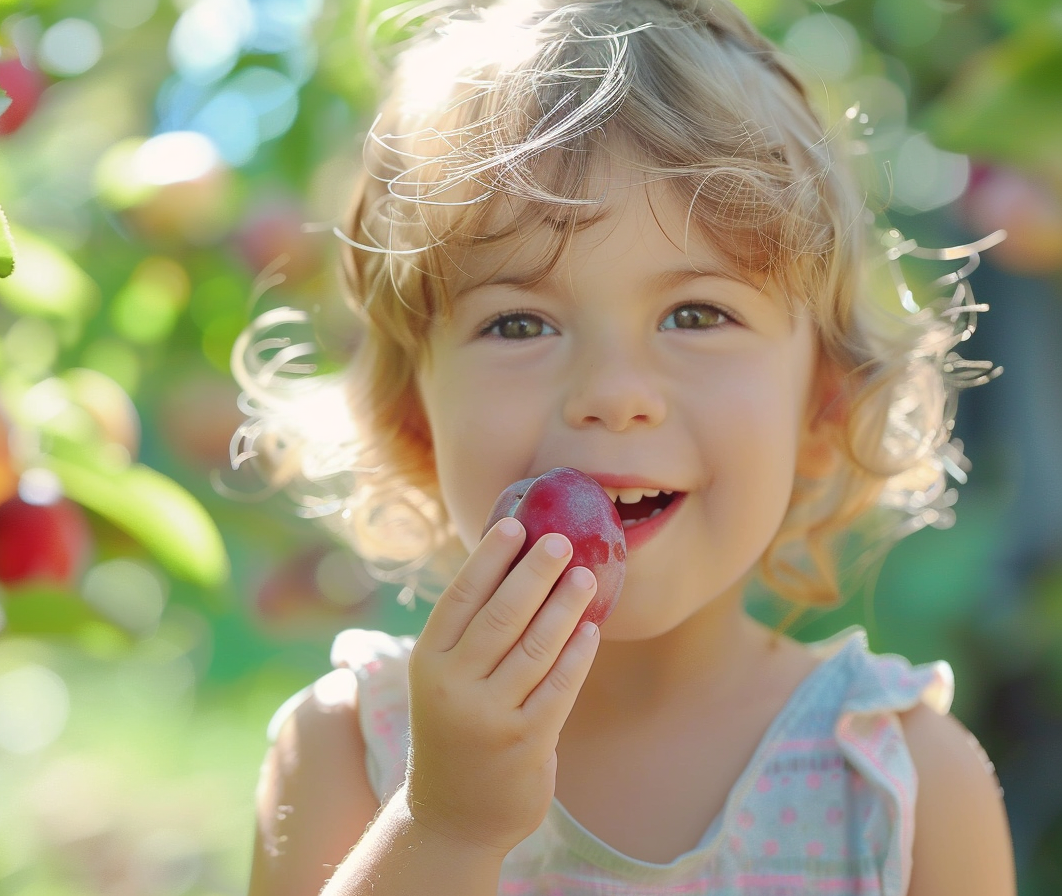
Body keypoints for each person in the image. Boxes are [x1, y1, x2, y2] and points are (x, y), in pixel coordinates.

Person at [234, 0, 1017, 893]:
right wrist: (444, 826)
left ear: (822, 407)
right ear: (415, 424)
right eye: (519, 322)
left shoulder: (902, 784)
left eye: (697, 314)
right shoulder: (349, 749)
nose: (612, 394)